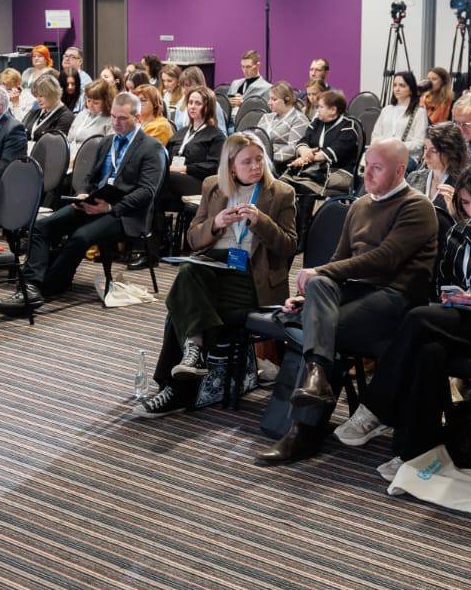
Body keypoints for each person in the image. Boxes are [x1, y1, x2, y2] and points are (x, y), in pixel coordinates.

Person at [336, 164, 471, 466]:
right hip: (460, 319)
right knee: (428, 352)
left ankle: (377, 407)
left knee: (418, 319)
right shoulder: (458, 234)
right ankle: (414, 453)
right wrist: (452, 296)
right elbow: (440, 281)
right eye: (466, 203)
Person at [256, 138, 439, 465]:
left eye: (377, 168)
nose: (367, 174)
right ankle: (315, 381)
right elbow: (338, 260)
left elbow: (384, 259)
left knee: (322, 328)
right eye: (366, 166)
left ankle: (302, 431)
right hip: (355, 294)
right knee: (319, 291)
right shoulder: (360, 204)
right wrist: (306, 296)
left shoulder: (417, 206)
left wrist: (319, 275)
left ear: (400, 170)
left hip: (395, 298)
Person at [131, 134, 299, 418]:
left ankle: (178, 381)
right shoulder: (212, 186)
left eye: (259, 159)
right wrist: (217, 223)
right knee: (190, 271)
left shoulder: (281, 192)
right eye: (247, 162)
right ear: (231, 166)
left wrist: (261, 222)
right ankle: (186, 368)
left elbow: (289, 246)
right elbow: (194, 239)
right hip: (213, 269)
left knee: (181, 302)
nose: (256, 166)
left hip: (252, 278)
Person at [0, 93, 164, 315]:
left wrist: (111, 208)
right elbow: (89, 178)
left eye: (122, 118)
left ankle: (48, 286)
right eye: (113, 117)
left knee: (80, 237)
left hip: (125, 213)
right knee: (41, 226)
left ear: (138, 118)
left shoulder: (152, 148)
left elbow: (147, 192)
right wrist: (82, 194)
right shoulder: (107, 142)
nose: (116, 123)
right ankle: (31, 285)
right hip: (94, 203)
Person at [282, 89, 362, 198]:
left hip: (338, 171)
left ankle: (307, 208)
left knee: (302, 186)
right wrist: (304, 151)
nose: (317, 110)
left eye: (321, 107)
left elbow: (332, 152)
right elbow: (303, 141)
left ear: (333, 110)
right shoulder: (317, 123)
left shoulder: (348, 128)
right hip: (313, 168)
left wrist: (305, 158)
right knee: (282, 183)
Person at [166, 88, 225, 200]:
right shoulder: (181, 132)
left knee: (165, 177)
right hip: (176, 178)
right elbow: (166, 157)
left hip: (200, 183)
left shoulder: (216, 136)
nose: (192, 106)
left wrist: (185, 169)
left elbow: (214, 166)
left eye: (198, 103)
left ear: (207, 107)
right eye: (190, 102)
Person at [408, 121, 470, 222]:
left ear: (450, 153)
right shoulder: (414, 178)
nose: (425, 155)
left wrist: (456, 213)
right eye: (425, 148)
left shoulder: (464, 185)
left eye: (434, 151)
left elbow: (470, 226)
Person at [370, 71, 427, 163]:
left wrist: (395, 147)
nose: (397, 89)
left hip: (407, 157)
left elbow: (419, 143)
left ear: (411, 89)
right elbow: (375, 136)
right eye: (395, 85)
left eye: (402, 85)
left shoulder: (419, 112)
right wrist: (383, 147)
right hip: (383, 155)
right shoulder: (386, 110)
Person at [261, 81, 309, 169]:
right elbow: (255, 139)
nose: (269, 103)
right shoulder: (266, 117)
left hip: (279, 165)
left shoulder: (299, 119)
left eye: (274, 99)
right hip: (260, 159)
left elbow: (293, 148)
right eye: (269, 99)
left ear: (287, 100)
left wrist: (266, 158)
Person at [66, 79, 114, 160]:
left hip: (89, 160)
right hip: (70, 156)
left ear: (106, 102)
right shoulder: (82, 114)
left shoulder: (110, 120)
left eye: (96, 103)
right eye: (88, 100)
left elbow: (105, 150)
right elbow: (69, 139)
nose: (90, 105)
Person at [23, 75, 73, 143]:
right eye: (36, 96)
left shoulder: (66, 117)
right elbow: (21, 130)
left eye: (41, 96)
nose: (38, 100)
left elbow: (55, 143)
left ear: (52, 94)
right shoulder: (35, 111)